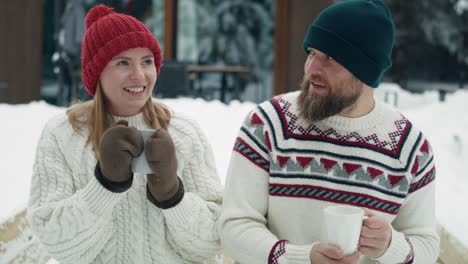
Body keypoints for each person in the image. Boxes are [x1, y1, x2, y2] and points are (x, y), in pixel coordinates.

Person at [219, 1, 439, 263]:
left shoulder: (410, 149)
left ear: (366, 71)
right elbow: (233, 227)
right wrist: (299, 258)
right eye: (312, 52)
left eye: (331, 58)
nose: (311, 69)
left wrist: (390, 245)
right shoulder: (267, 124)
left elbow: (426, 247)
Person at [27, 5, 223, 263]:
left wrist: (172, 195)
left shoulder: (184, 132)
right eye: (122, 62)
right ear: (97, 72)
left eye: (147, 61)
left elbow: (211, 244)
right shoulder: (63, 135)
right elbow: (59, 245)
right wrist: (105, 185)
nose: (139, 75)